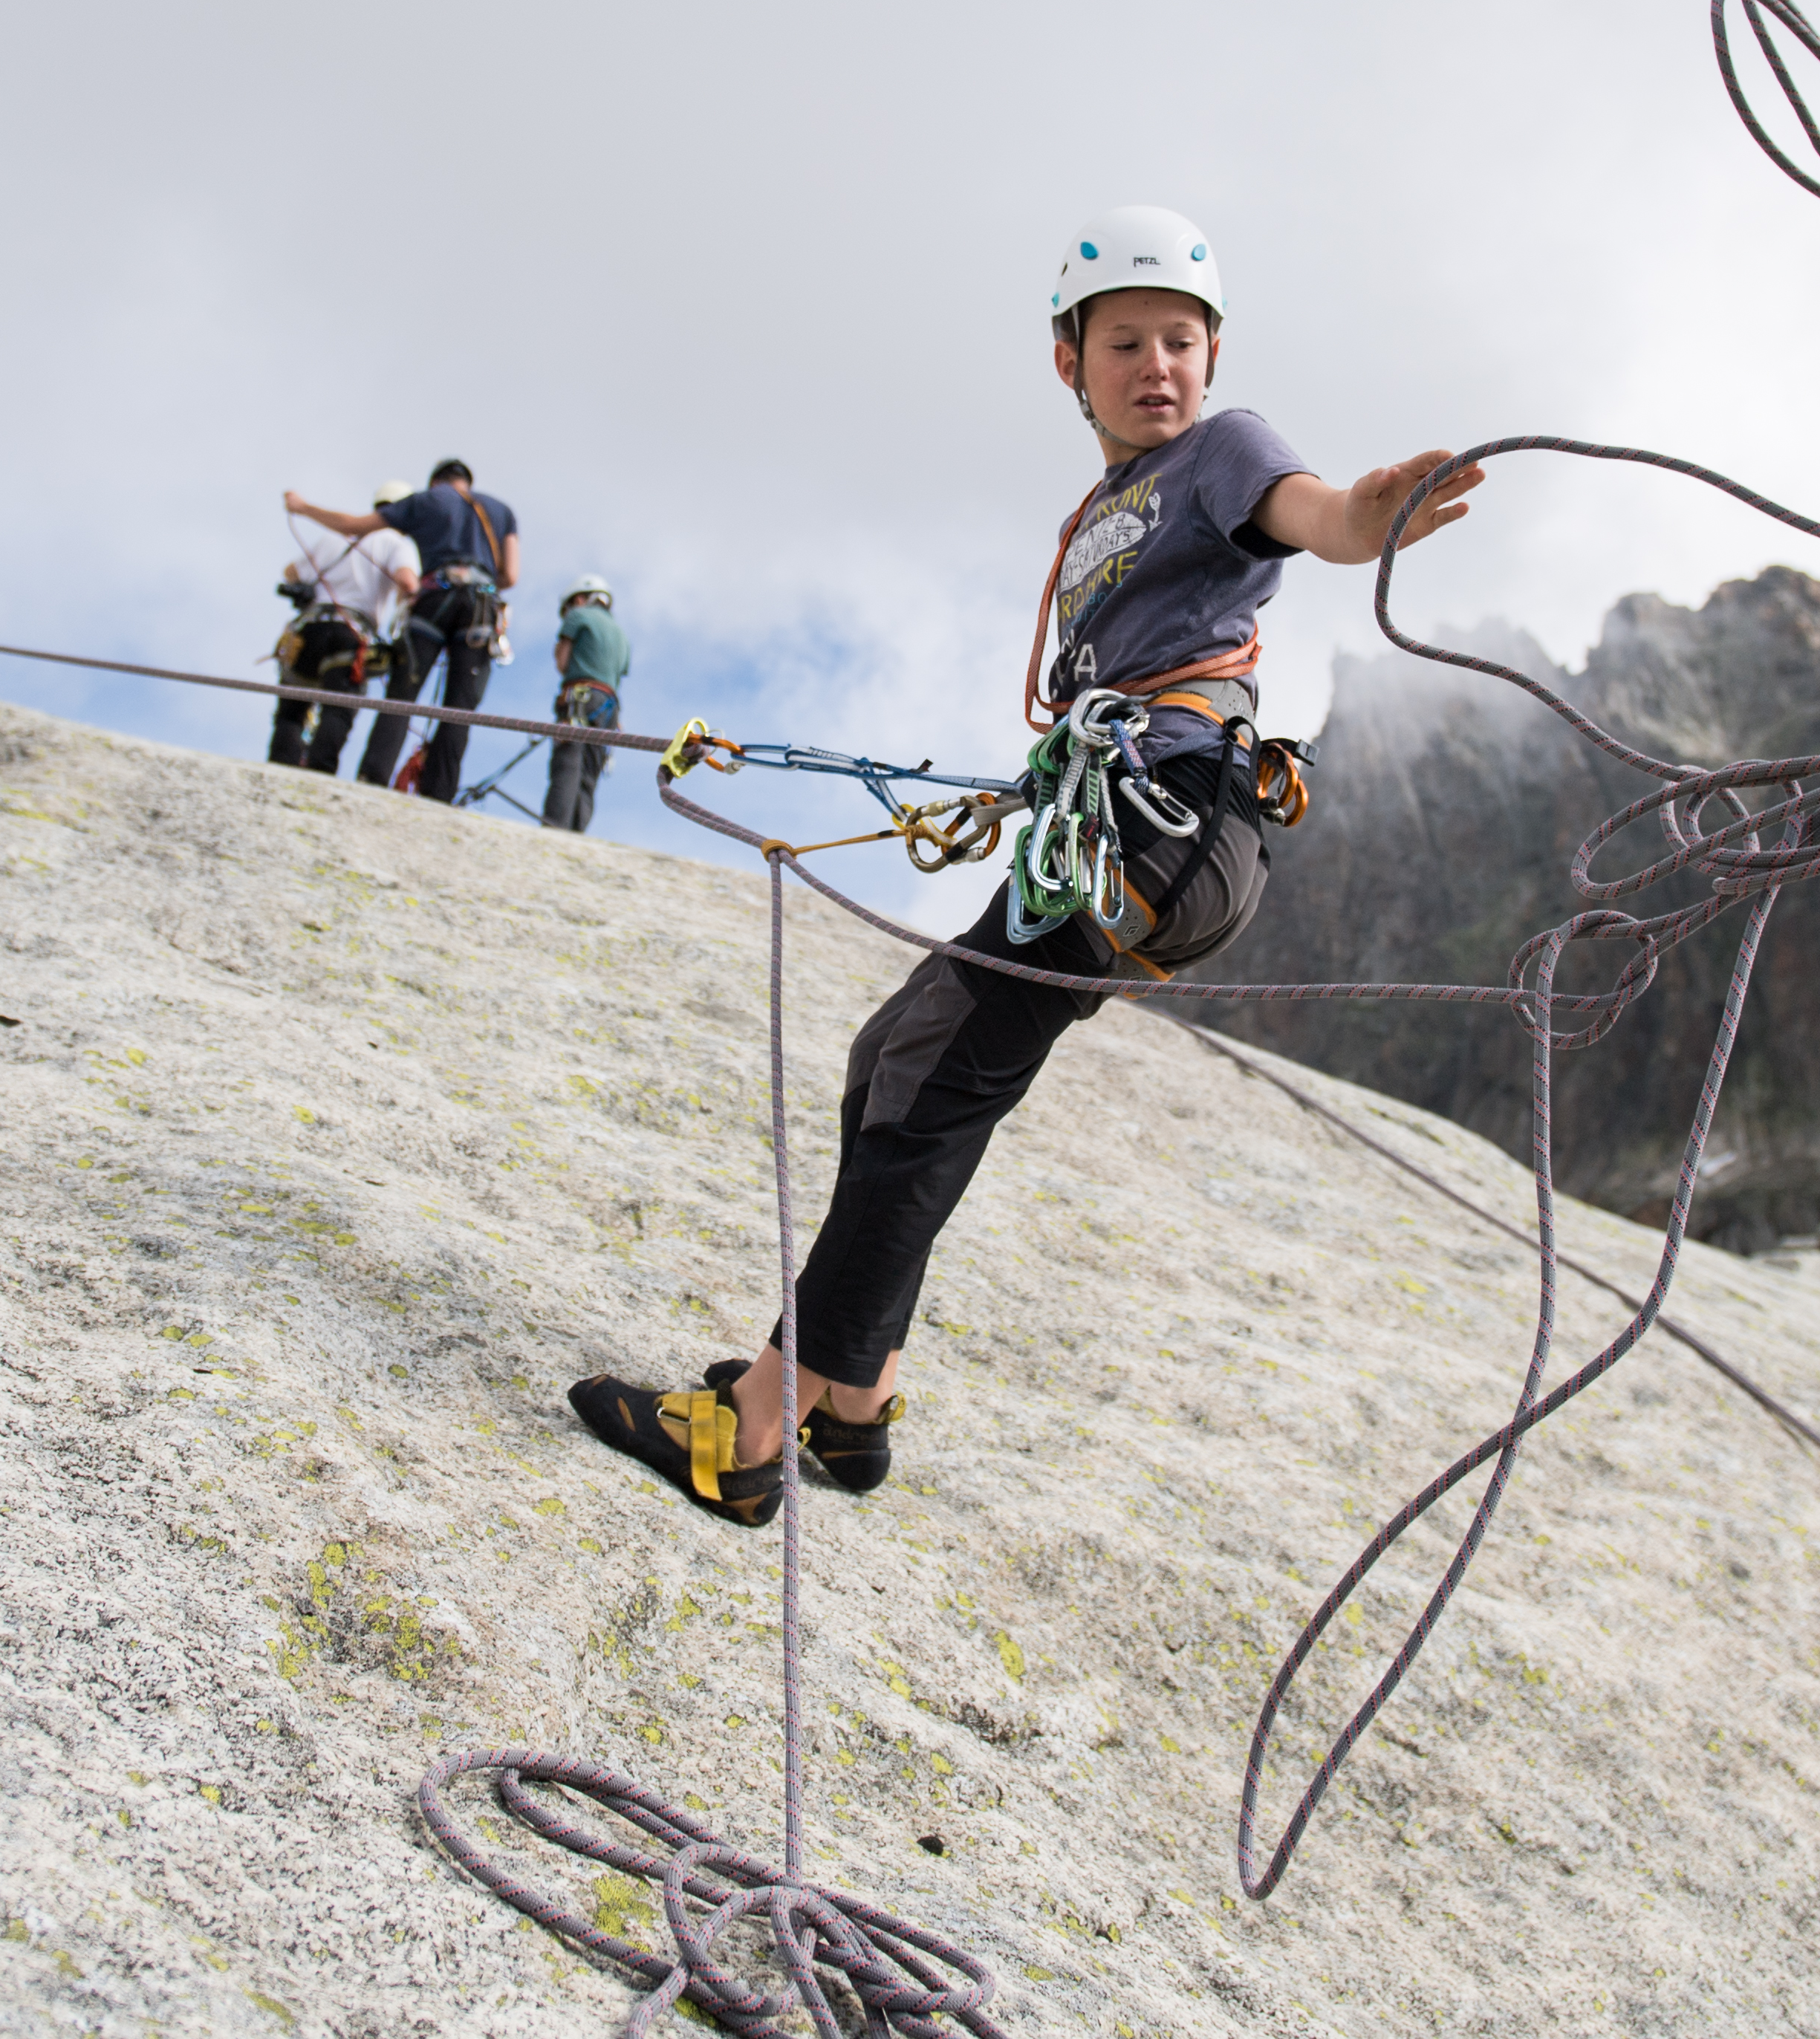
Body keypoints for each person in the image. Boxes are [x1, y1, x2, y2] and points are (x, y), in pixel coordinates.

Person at [566, 206, 1485, 1525]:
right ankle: (855, 1402)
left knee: (925, 1092)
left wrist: (1361, 516)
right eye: (1125, 343)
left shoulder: (1224, 452)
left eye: (1180, 339)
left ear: (1213, 357)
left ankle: (754, 1428)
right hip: (1124, 821)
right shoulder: (1108, 506)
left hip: (1162, 814)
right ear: (1071, 363)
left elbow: (1312, 516)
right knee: (891, 1056)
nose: (1156, 364)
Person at [286, 458, 520, 802]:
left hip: (433, 599)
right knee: (459, 708)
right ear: (466, 482)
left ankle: (374, 775)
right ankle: (438, 794)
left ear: (436, 481)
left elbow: (353, 526)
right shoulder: (502, 511)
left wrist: (302, 507)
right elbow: (510, 576)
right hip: (481, 606)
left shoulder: (425, 500)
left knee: (403, 696)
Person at [268, 481, 423, 773]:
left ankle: (278, 770)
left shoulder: (333, 539)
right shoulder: (396, 542)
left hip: (308, 630)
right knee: (338, 709)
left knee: (292, 712)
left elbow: (291, 573)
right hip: (350, 635)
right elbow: (408, 583)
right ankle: (318, 774)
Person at [542, 575, 630, 832]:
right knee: (589, 775)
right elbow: (616, 676)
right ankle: (576, 835)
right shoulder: (621, 635)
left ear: (579, 598)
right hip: (610, 708)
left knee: (567, 765)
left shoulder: (578, 616)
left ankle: (554, 831)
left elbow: (562, 662)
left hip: (579, 696)